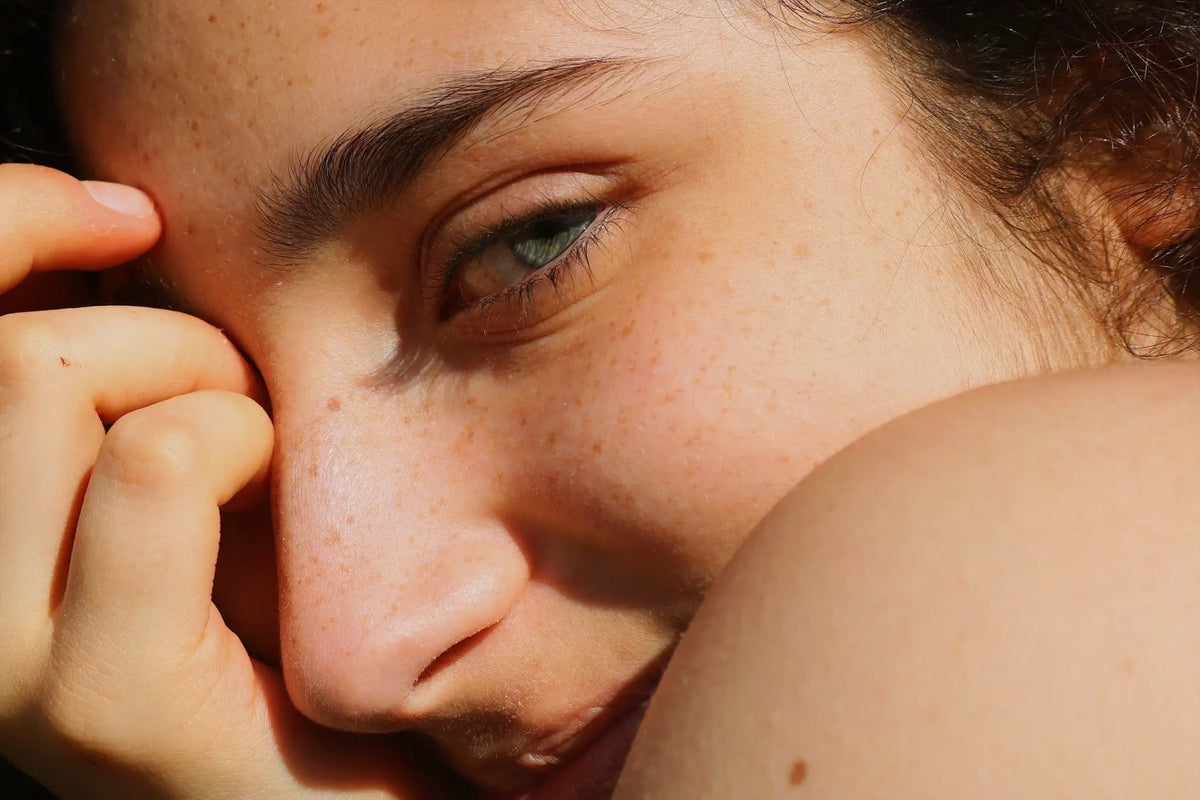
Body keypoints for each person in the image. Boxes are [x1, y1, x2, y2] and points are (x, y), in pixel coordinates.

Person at [2, 1, 1200, 797]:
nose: (345, 654)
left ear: (1130, 131)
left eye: (529, 244)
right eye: (206, 398)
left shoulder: (1011, 565)